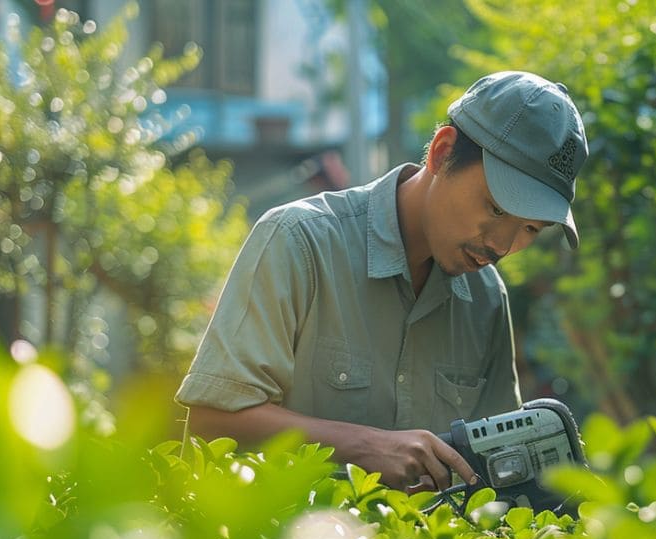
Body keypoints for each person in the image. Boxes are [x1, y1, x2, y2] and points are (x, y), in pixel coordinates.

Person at [175, 70, 589, 492]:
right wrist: (362, 446)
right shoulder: (300, 242)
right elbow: (210, 423)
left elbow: (499, 474)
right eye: (497, 209)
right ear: (443, 153)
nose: (503, 244)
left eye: (531, 229)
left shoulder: (486, 299)